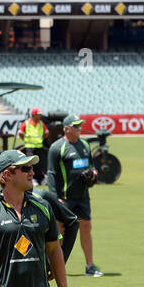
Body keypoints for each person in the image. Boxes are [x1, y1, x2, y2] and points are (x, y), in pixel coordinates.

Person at [47, 113, 102, 277]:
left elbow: (90, 164)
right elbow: (51, 174)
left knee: (86, 227)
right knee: (60, 230)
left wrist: (94, 172)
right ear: (67, 129)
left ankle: (90, 266)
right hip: (64, 197)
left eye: (80, 126)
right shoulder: (57, 147)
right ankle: (55, 266)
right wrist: (54, 198)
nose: (79, 129)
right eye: (76, 126)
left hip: (83, 196)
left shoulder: (84, 144)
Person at [18, 108, 47, 184]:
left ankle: (40, 179)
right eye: (38, 114)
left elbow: (46, 133)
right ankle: (32, 179)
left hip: (39, 146)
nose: (40, 115)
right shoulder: (26, 123)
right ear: (34, 115)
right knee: (30, 164)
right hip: (29, 147)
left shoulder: (41, 123)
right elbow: (20, 132)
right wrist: (25, 139)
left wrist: (41, 139)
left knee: (39, 164)